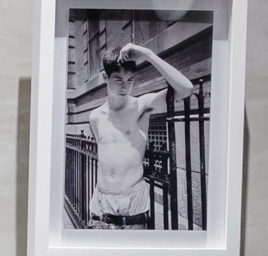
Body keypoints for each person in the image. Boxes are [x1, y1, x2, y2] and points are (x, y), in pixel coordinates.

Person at [80, 39, 193, 226]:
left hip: (131, 205)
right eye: (118, 80)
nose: (125, 87)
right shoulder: (95, 117)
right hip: (100, 206)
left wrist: (147, 54)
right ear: (105, 77)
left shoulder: (140, 106)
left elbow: (186, 89)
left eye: (130, 80)